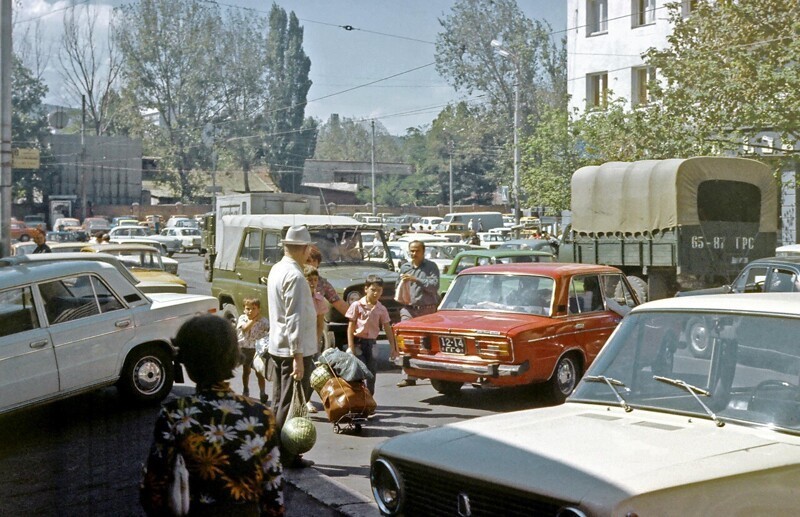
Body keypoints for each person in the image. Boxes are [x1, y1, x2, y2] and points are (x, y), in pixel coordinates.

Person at [140, 314, 284, 516]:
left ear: (187, 362)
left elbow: (154, 491)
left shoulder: (175, 415)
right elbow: (273, 495)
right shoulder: (261, 415)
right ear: (234, 358)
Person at [266, 225, 317, 469]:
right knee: (289, 404)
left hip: (280, 347)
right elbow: (294, 317)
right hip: (293, 351)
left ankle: (276, 451)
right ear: (305, 249)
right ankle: (285, 455)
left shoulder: (278, 269)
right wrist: (298, 356)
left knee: (280, 401)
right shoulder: (295, 276)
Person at [396, 240, 440, 387]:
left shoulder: (431, 267)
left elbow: (434, 286)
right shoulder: (405, 267)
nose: (414, 254)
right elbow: (398, 286)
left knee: (427, 343)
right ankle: (408, 376)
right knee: (406, 342)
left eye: (417, 251)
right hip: (408, 309)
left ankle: (428, 371)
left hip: (426, 310)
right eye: (412, 251)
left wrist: (417, 279)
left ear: (423, 251)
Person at [346, 275, 397, 395]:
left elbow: (387, 328)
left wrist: (393, 347)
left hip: (372, 343)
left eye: (379, 290)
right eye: (373, 290)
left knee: (372, 372)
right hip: (358, 342)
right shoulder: (357, 305)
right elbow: (351, 326)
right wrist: (351, 345)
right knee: (360, 370)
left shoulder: (381, 309)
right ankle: (358, 397)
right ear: (366, 289)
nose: (375, 293)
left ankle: (369, 398)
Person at [303, 264, 327, 414]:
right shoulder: (300, 298)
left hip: (311, 340)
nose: (312, 283)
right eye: (309, 279)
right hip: (299, 338)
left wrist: (317, 342)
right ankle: (298, 400)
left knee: (313, 372)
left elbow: (320, 323)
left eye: (315, 279)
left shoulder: (318, 299)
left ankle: (306, 399)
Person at [236, 297, 269, 403]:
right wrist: (254, 320)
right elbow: (245, 329)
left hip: (257, 350)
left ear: (258, 309)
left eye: (253, 309)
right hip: (245, 349)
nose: (250, 311)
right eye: (248, 308)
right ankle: (246, 390)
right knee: (246, 371)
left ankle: (262, 392)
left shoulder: (263, 321)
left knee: (259, 372)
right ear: (244, 309)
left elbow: (269, 329)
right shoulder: (243, 318)